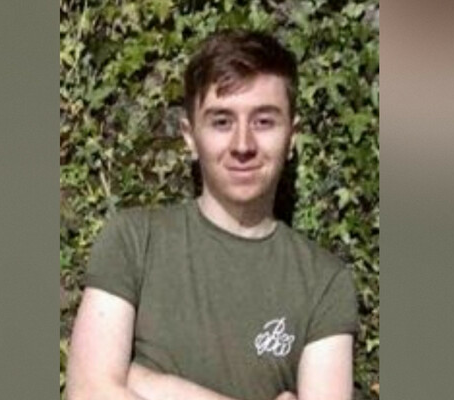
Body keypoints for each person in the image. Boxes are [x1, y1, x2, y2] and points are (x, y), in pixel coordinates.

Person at [67, 29, 358, 400]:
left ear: (292, 136)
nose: (243, 145)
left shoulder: (324, 282)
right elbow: (88, 393)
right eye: (222, 121)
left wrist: (154, 386)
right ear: (190, 136)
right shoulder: (135, 241)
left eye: (264, 121)